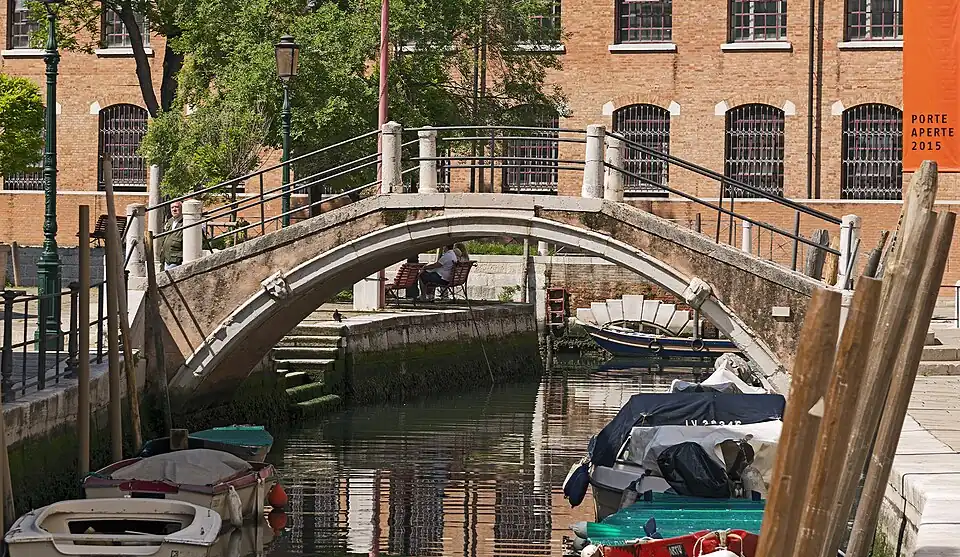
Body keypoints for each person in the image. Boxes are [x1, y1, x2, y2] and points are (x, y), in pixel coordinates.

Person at [158, 201, 183, 270]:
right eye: (172, 207)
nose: (174, 209)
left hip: (176, 261)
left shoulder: (185, 222)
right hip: (166, 259)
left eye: (177, 207)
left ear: (182, 208)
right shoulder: (170, 221)